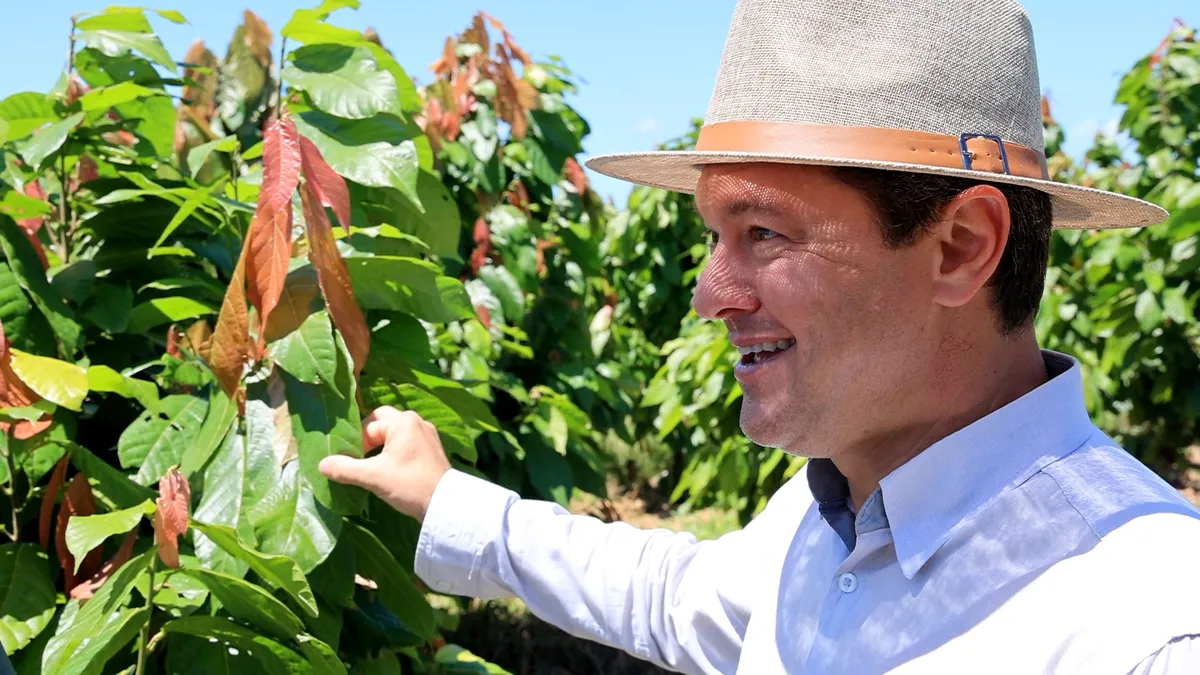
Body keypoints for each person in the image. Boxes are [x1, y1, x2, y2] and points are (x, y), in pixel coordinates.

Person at [319, 0, 1200, 672]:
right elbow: (675, 595)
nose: (710, 296)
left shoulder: (1146, 627)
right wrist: (450, 500)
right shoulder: (828, 514)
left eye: (764, 233)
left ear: (961, 247)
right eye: (714, 234)